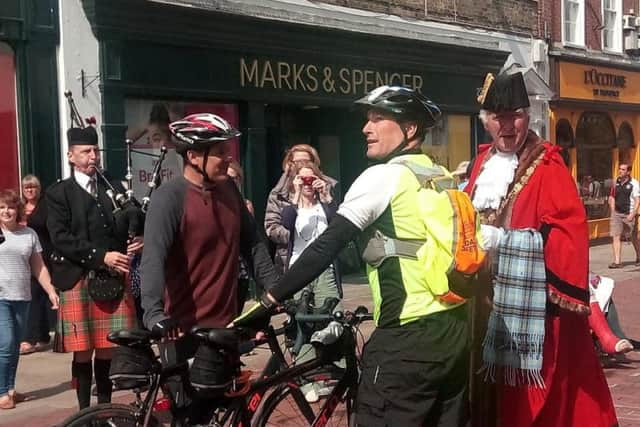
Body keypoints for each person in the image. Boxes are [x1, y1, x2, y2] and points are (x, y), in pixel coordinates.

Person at [234, 85, 470, 426]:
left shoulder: (384, 177)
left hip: (406, 339)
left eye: (378, 118)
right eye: (367, 119)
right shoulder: (441, 178)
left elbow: (326, 245)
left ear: (410, 129)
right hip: (453, 331)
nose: (366, 128)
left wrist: (268, 302)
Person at [466, 71, 617, 426]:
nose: (507, 125)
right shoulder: (481, 164)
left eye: (514, 115)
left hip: (535, 309)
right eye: (497, 117)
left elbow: (569, 237)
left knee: (536, 404)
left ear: (527, 116)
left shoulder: (548, 164)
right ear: (486, 122)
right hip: (484, 303)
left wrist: (506, 241)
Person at [140, 113, 278, 423]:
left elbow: (253, 246)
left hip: (224, 329)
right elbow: (153, 259)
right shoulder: (169, 198)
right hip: (184, 330)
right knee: (189, 417)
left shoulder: (229, 190)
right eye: (219, 152)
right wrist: (153, 312)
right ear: (193, 156)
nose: (227, 158)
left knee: (227, 411)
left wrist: (277, 290)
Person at [46, 126, 140, 410]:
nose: (93, 156)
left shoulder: (112, 187)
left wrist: (137, 237)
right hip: (78, 278)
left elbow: (132, 217)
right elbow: (61, 238)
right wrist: (102, 257)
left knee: (109, 348)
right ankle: (85, 411)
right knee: (83, 351)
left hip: (112, 276)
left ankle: (105, 408)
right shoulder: (58, 193)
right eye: (86, 151)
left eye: (95, 151)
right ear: (71, 155)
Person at [281, 160, 342, 402]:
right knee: (301, 324)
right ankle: (306, 379)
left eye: (311, 178)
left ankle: (326, 372)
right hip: (298, 270)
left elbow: (339, 225)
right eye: (303, 179)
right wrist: (295, 193)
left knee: (329, 317)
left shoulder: (325, 205)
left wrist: (326, 195)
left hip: (324, 269)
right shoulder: (292, 207)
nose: (308, 183)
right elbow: (286, 223)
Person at [0, 189, 59, 410]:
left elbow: (38, 266)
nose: (6, 211)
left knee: (14, 345)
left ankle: (11, 388)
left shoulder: (29, 234)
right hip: (1, 297)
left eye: (11, 207)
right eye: (2, 207)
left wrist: (51, 290)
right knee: (5, 343)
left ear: (18, 210)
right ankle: (1, 392)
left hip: (23, 296)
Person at [264, 144, 337, 274]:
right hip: (290, 261)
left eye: (307, 161)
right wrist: (296, 235)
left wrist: (326, 196)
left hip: (323, 261)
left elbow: (337, 223)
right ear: (288, 164)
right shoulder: (279, 194)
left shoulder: (326, 188)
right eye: (297, 162)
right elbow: (271, 228)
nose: (301, 165)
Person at [18, 175, 54, 355]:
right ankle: (39, 336)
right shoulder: (19, 207)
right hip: (25, 256)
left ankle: (32, 338)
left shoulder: (46, 205)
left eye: (33, 187)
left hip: (45, 254)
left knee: (43, 297)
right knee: (33, 296)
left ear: (39, 189)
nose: (30, 190)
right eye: (27, 188)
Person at [608, 163, 639, 268]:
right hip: (617, 213)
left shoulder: (634, 183)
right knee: (616, 236)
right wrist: (613, 210)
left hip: (629, 214)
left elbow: (637, 200)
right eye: (620, 169)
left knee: (633, 237)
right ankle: (617, 262)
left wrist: (633, 214)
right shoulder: (615, 182)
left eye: (623, 169)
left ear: (628, 172)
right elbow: (611, 197)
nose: (620, 171)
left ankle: (639, 256)